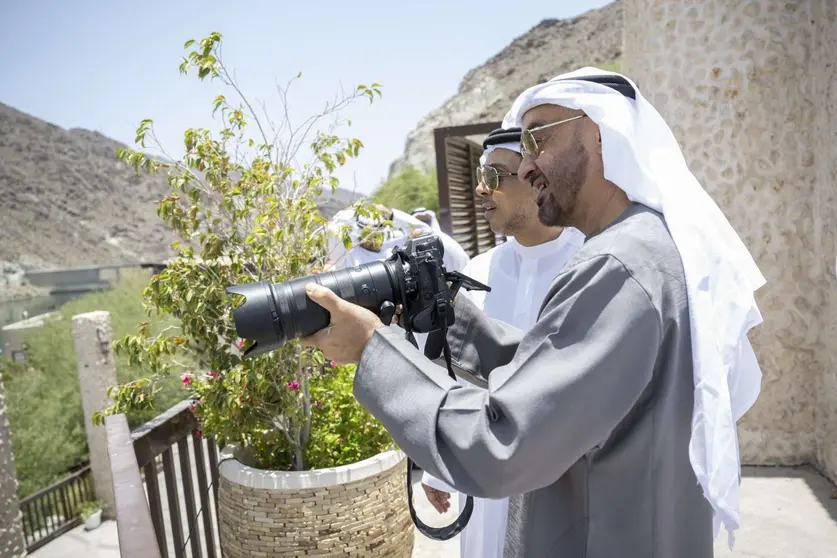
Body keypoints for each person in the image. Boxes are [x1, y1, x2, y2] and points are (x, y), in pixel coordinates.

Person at [300, 68, 765, 557]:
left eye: (537, 139)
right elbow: (567, 376)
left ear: (601, 132)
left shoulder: (616, 265)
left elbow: (501, 447)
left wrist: (373, 350)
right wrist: (448, 315)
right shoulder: (648, 246)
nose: (525, 166)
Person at [420, 126, 585, 558]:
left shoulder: (588, 264)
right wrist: (441, 470)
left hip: (562, 481)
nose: (480, 189)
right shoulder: (478, 271)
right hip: (488, 479)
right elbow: (458, 382)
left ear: (536, 180)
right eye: (479, 174)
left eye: (495, 177)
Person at [410, 207, 471, 274]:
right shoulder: (446, 240)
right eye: (419, 222)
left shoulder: (445, 243)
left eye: (426, 222)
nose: (423, 226)